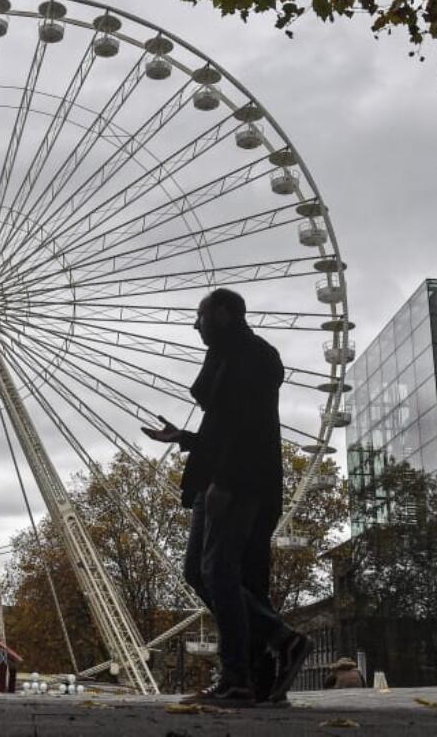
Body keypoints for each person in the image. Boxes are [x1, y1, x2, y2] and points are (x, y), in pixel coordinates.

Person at [142, 288, 312, 704]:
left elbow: (247, 431)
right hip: (223, 476)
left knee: (220, 572)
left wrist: (226, 481)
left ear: (221, 313)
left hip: (237, 483)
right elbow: (227, 430)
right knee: (203, 573)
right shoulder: (229, 359)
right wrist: (185, 438)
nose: (195, 324)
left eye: (200, 315)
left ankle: (247, 670)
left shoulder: (251, 357)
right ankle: (265, 659)